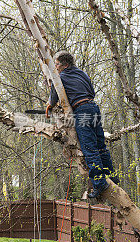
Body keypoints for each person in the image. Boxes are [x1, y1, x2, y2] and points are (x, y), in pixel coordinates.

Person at [46, 51, 119, 199]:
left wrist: (49, 105)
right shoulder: (82, 74)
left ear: (65, 65)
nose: (56, 67)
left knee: (89, 148)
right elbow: (91, 91)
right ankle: (112, 177)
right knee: (101, 146)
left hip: (81, 110)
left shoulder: (60, 77)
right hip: (94, 108)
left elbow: (54, 96)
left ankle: (99, 183)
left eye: (58, 64)